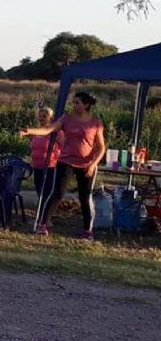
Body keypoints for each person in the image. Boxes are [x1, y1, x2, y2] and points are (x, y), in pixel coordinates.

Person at [19, 92, 106, 240]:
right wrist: (29, 131)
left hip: (86, 164)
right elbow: (49, 129)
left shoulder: (95, 122)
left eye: (77, 102)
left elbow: (101, 147)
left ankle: (87, 231)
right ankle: (43, 224)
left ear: (86, 105)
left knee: (84, 197)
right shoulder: (67, 118)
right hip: (66, 161)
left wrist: (93, 164)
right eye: (73, 102)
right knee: (57, 193)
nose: (74, 105)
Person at [29, 106, 64, 200]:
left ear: (51, 118)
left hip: (50, 167)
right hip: (37, 166)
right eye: (40, 116)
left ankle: (46, 211)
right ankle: (41, 211)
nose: (41, 118)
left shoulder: (56, 133)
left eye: (44, 116)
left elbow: (65, 147)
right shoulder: (35, 132)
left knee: (47, 192)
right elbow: (32, 148)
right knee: (39, 190)